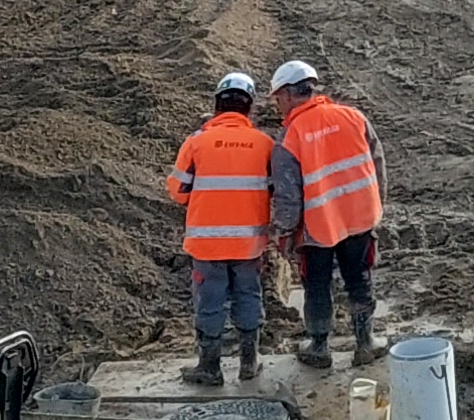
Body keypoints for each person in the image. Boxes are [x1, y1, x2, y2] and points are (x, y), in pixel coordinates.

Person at [163, 68, 294, 385]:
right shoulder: (264, 144)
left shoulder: (196, 143)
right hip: (249, 246)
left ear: (217, 105)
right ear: (248, 107)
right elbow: (277, 189)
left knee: (210, 303)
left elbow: (177, 191)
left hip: (207, 246)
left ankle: (210, 367)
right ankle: (249, 364)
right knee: (249, 296)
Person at [270, 58, 387, 371]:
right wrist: (377, 206)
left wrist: (285, 233)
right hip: (360, 218)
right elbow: (377, 166)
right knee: (360, 279)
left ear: (288, 95)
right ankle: (365, 342)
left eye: (278, 99)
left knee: (317, 286)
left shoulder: (289, 138)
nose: (278, 106)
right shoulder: (353, 117)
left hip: (318, 228)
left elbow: (288, 195)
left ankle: (319, 347)